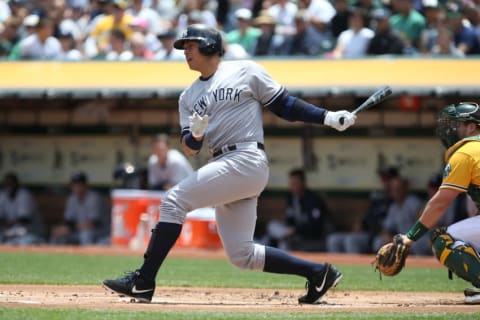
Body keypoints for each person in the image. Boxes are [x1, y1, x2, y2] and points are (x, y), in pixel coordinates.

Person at [103, 24, 357, 305]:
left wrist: (328, 117)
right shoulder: (187, 97)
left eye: (191, 45)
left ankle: (143, 280)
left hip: (246, 157)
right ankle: (318, 273)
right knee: (242, 256)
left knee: (173, 201)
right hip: (224, 164)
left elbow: (285, 105)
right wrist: (196, 135)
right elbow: (189, 147)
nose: (186, 51)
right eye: (184, 47)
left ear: (211, 46)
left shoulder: (245, 70)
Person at [392, 102, 480, 304]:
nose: (451, 129)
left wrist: (410, 237)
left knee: (443, 238)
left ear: (472, 127)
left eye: (456, 124)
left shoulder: (466, 151)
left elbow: (441, 201)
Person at [327, 166, 399, 254]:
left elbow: (392, 225)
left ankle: (353, 266)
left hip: (380, 235)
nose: (385, 182)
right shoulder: (379, 198)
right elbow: (367, 216)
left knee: (352, 240)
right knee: (334, 239)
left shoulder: (397, 201)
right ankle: (336, 267)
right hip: (367, 232)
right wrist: (359, 224)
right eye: (383, 179)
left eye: (387, 179)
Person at [263, 168, 332, 251]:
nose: (293, 185)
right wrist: (290, 231)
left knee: (284, 243)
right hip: (293, 235)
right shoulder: (291, 198)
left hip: (312, 238)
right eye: (291, 182)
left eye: (295, 182)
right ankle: (282, 237)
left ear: (303, 182)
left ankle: (282, 240)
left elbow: (316, 228)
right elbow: (290, 220)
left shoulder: (313, 200)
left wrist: (295, 230)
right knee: (272, 225)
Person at [50, 171, 109, 245]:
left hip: (101, 233)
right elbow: (68, 221)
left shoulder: (94, 198)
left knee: (85, 234)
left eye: (80, 184)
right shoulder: (72, 199)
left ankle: (88, 256)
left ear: (85, 185)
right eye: (74, 184)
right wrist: (62, 229)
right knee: (58, 234)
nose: (77, 187)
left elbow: (94, 224)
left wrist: (69, 229)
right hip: (79, 231)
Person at [0, 172, 45, 245]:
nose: (9, 187)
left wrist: (7, 224)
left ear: (17, 184)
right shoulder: (3, 195)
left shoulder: (24, 194)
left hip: (32, 231)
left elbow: (24, 220)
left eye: (11, 184)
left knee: (22, 238)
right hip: (11, 231)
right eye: (7, 184)